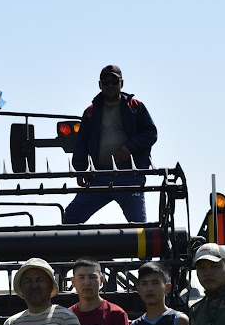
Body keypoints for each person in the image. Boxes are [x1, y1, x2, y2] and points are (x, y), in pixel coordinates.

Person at [65, 64, 158, 224]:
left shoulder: (135, 107)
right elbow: (81, 143)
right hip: (99, 176)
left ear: (122, 84)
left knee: (139, 228)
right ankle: (70, 248)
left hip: (130, 176)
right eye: (106, 82)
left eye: (114, 82)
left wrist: (129, 147)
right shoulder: (90, 112)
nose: (110, 85)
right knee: (71, 217)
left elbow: (151, 133)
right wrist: (80, 170)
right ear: (100, 85)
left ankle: (143, 248)